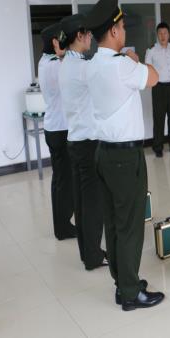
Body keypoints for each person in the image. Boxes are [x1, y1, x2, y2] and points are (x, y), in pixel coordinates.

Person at [85, 0, 164, 311]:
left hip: (103, 153)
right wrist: (135, 60)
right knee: (130, 225)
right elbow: (154, 78)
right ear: (114, 30)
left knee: (114, 223)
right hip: (125, 157)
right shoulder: (121, 65)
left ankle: (122, 283)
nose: (124, 32)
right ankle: (131, 293)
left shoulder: (92, 65)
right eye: (122, 27)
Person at [58, 14, 107, 271]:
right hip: (88, 143)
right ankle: (94, 256)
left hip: (75, 140)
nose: (91, 38)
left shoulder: (65, 63)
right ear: (79, 36)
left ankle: (86, 253)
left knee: (80, 201)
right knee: (92, 203)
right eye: (88, 34)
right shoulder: (82, 67)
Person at [37, 23, 75, 241]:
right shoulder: (54, 66)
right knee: (64, 181)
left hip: (54, 127)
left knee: (59, 179)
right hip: (60, 129)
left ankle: (61, 224)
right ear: (54, 42)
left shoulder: (45, 62)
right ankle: (63, 227)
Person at [145, 22, 170, 158]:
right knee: (159, 117)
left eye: (165, 33)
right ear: (157, 35)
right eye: (160, 33)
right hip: (159, 87)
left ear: (169, 35)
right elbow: (148, 69)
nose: (163, 36)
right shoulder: (151, 51)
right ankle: (158, 147)